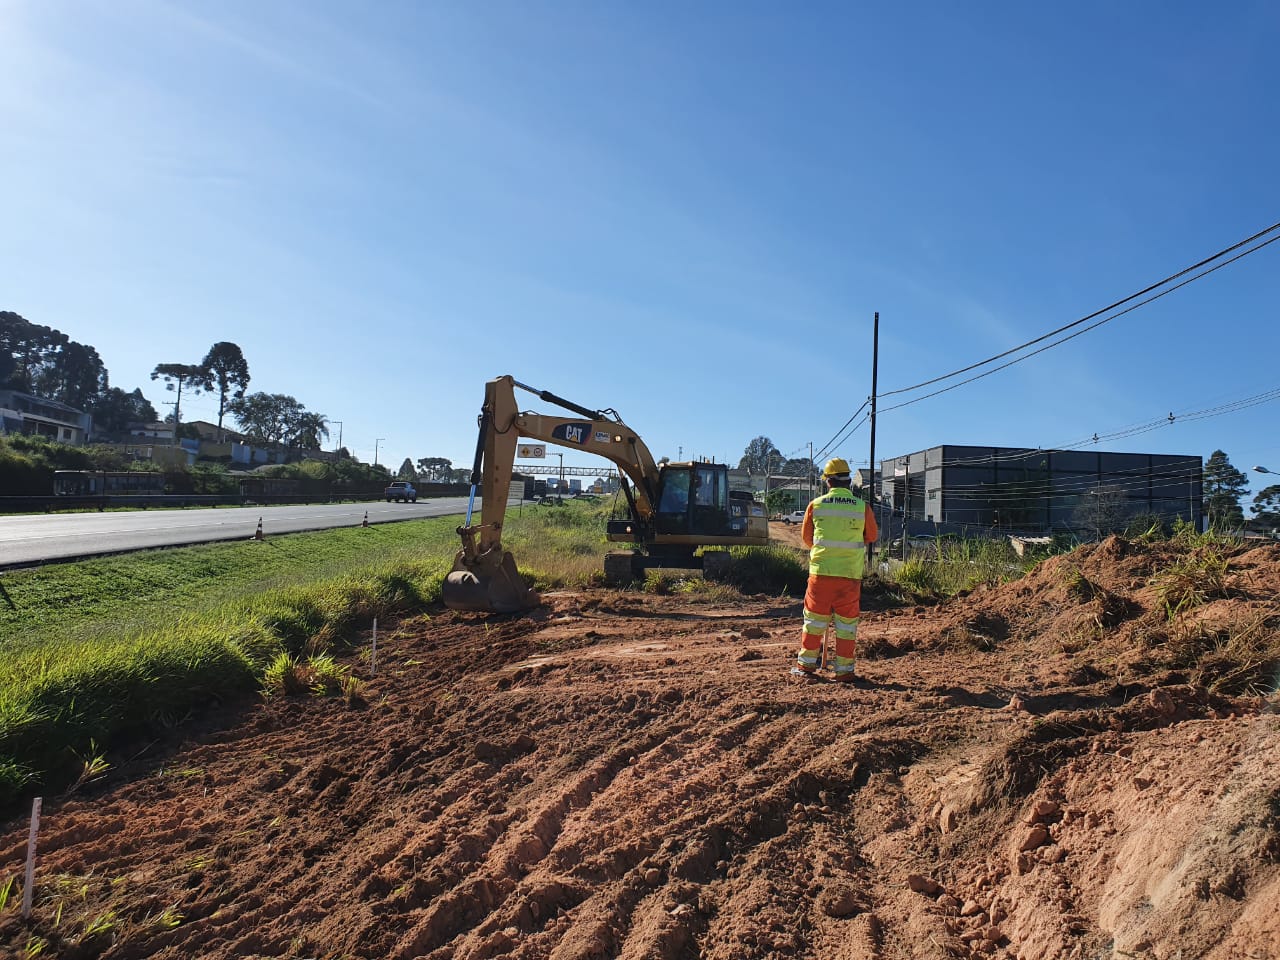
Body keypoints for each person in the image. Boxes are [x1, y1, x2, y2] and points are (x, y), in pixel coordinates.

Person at [790, 457, 878, 682]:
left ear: (828, 482)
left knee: (814, 622)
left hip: (820, 574)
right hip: (849, 576)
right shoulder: (862, 507)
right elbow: (872, 536)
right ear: (849, 482)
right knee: (847, 626)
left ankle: (805, 666)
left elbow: (807, 539)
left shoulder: (816, 505)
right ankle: (845, 671)